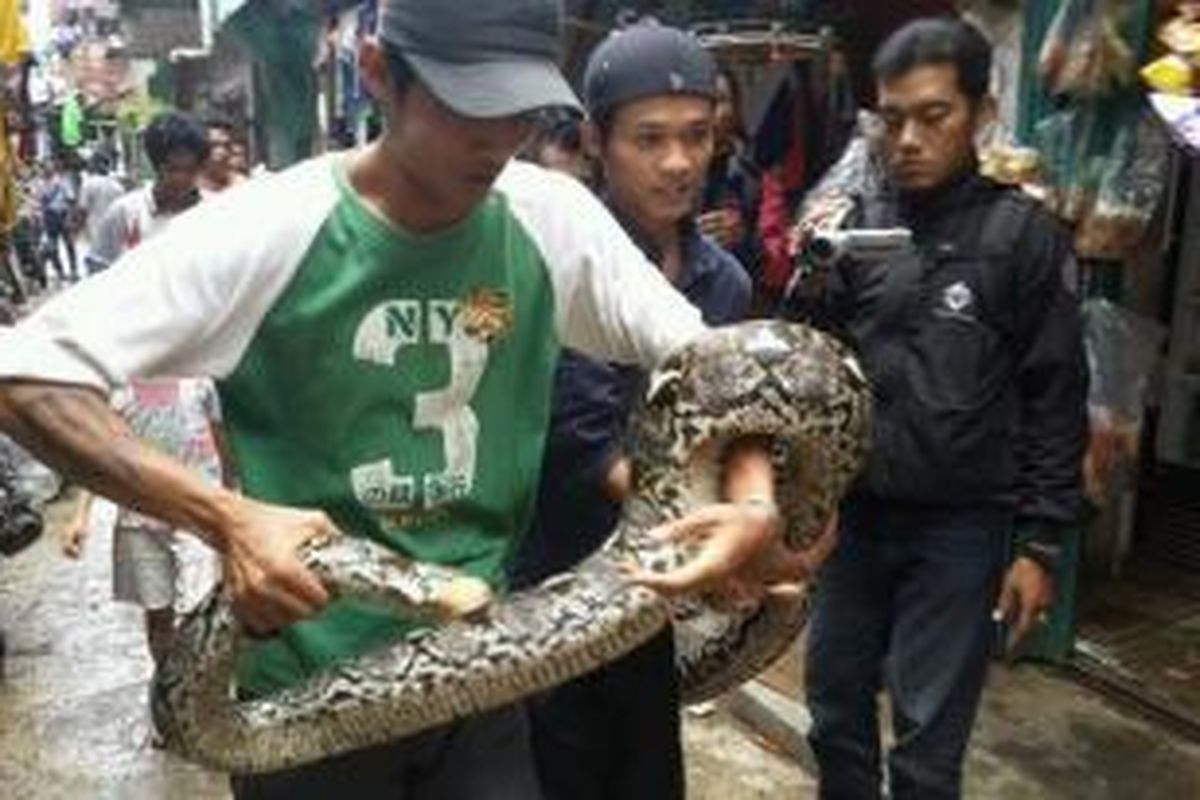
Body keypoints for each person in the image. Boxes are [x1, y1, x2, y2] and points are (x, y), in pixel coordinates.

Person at [0, 1, 817, 797]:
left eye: (520, 111)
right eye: (469, 106)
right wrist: (225, 518)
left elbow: (720, 367)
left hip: (483, 667)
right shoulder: (266, 229)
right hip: (303, 693)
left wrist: (752, 503)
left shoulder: (552, 216)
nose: (498, 140)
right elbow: (25, 372)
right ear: (378, 73)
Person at [783, 19, 1088, 800]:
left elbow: (1055, 396)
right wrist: (808, 274)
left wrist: (1040, 544)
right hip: (852, 521)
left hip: (959, 527)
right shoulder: (853, 225)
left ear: (981, 114)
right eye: (892, 118)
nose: (908, 138)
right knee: (834, 710)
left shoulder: (1022, 239)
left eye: (933, 115)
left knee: (927, 741)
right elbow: (808, 366)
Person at [508, 20, 759, 800]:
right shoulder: (552, 259)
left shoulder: (724, 283)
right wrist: (722, 527)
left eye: (697, 136)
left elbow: (733, 419)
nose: (679, 162)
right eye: (649, 139)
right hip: (552, 588)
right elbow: (586, 443)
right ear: (595, 140)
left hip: (652, 605)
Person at [62, 378, 228, 669]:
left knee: (199, 609)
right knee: (157, 612)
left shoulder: (199, 380)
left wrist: (231, 495)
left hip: (197, 514)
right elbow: (98, 456)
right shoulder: (118, 390)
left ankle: (198, 687)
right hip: (139, 518)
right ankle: (167, 686)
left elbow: (220, 439)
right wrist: (80, 516)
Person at [88, 112, 207, 272]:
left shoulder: (211, 212)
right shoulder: (125, 212)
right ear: (156, 166)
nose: (181, 178)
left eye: (190, 170)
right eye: (172, 169)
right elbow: (98, 273)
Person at [699, 66, 762, 282]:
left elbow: (769, 254)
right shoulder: (671, 169)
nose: (713, 112)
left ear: (736, 107)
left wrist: (743, 237)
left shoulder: (752, 171)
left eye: (722, 100)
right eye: (705, 101)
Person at [76, 152, 126, 274]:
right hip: (116, 236)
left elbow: (82, 210)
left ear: (94, 165)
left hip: (96, 236)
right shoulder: (118, 186)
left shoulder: (88, 184)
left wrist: (77, 229)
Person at [36, 158, 78, 282]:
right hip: (49, 217)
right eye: (43, 167)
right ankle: (60, 272)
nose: (45, 169)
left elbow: (71, 200)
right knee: (52, 247)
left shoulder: (62, 181)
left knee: (69, 244)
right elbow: (38, 202)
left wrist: (70, 217)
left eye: (47, 166)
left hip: (62, 215)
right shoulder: (40, 184)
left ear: (53, 167)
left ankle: (73, 270)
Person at [198, 119, 244, 194]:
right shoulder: (186, 191)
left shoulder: (244, 187)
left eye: (227, 145)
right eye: (214, 145)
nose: (222, 152)